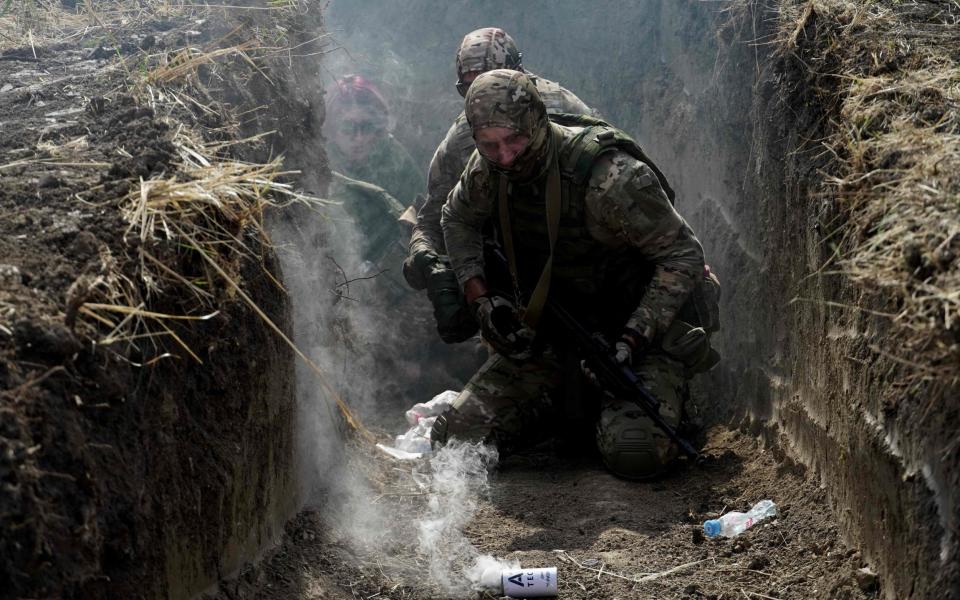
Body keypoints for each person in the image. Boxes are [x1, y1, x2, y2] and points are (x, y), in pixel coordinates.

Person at [431, 70, 721, 479]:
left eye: (515, 140)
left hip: (634, 336)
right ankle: (559, 406)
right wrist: (481, 298)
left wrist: (632, 338)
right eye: (489, 145)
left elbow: (684, 255)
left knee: (635, 454)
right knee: (454, 439)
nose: (505, 157)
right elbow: (456, 217)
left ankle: (646, 400)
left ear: (536, 122)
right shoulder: (488, 167)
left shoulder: (609, 177)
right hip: (553, 335)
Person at [403, 27, 596, 344]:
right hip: (516, 284)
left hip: (585, 267)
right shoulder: (462, 142)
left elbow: (619, 175)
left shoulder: (566, 112)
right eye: (471, 88)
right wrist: (433, 263)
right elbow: (436, 217)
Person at [326, 74, 424, 208]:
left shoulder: (397, 161)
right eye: (348, 128)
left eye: (367, 127)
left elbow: (423, 216)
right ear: (331, 129)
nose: (359, 138)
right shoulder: (319, 160)